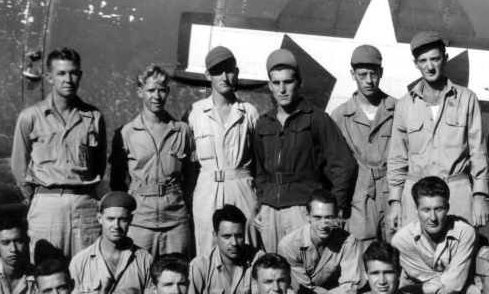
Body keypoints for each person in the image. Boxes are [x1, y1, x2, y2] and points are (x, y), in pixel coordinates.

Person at [253, 49, 356, 253]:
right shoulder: (263, 123)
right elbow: (260, 171)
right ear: (269, 86)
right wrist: (262, 204)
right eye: (276, 83)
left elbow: (344, 165)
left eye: (288, 82)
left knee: (305, 268)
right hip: (270, 210)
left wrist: (334, 210)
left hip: (303, 209)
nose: (282, 89)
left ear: (299, 82)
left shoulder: (317, 118)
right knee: (274, 268)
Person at [386, 31, 489, 231]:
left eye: (435, 59)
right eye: (423, 60)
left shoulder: (467, 99)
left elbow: (478, 152)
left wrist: (479, 196)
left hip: (456, 192)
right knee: (416, 256)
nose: (429, 66)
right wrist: (395, 202)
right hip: (415, 194)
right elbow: (397, 158)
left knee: (460, 253)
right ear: (416, 63)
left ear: (445, 59)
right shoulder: (405, 105)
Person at [11, 47, 106, 261]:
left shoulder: (93, 117)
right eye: (61, 73)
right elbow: (19, 165)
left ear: (80, 75)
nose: (68, 79)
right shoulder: (31, 117)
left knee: (87, 273)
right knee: (47, 271)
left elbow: (99, 164)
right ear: (49, 77)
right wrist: (35, 198)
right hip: (47, 205)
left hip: (84, 205)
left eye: (73, 73)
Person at [109, 64, 194, 258]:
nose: (156, 96)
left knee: (177, 277)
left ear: (168, 92)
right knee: (138, 276)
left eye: (162, 90)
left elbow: (190, 176)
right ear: (140, 92)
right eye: (150, 90)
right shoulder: (125, 133)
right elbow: (117, 182)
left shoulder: (182, 131)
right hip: (139, 221)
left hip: (175, 221)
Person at [183, 46, 260, 255]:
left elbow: (260, 161)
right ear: (208, 74)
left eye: (229, 70)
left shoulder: (249, 112)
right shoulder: (195, 112)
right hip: (208, 189)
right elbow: (187, 164)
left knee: (246, 245)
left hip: (242, 187)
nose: (224, 77)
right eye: (217, 71)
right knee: (207, 248)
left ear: (237, 71)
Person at [330, 45, 398, 252]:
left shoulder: (398, 109)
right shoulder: (340, 116)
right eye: (362, 75)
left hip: (393, 189)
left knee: (396, 245)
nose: (369, 81)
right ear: (353, 74)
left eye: (373, 74)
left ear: (381, 73)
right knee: (361, 249)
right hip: (359, 193)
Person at [391, 176, 477, 294]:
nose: (433, 217)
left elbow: (453, 283)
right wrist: (466, 287)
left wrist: (457, 285)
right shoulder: (401, 241)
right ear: (416, 209)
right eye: (426, 210)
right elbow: (446, 282)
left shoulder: (465, 232)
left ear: (448, 208)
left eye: (439, 209)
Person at [278, 189, 364, 294]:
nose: (323, 225)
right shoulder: (289, 245)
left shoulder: (347, 241)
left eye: (329, 218)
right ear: (307, 216)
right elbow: (303, 292)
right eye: (317, 217)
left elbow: (350, 289)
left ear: (336, 217)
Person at [189, 205, 265, 294]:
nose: (234, 243)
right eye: (227, 236)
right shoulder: (199, 266)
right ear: (215, 235)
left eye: (239, 236)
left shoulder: (258, 259)